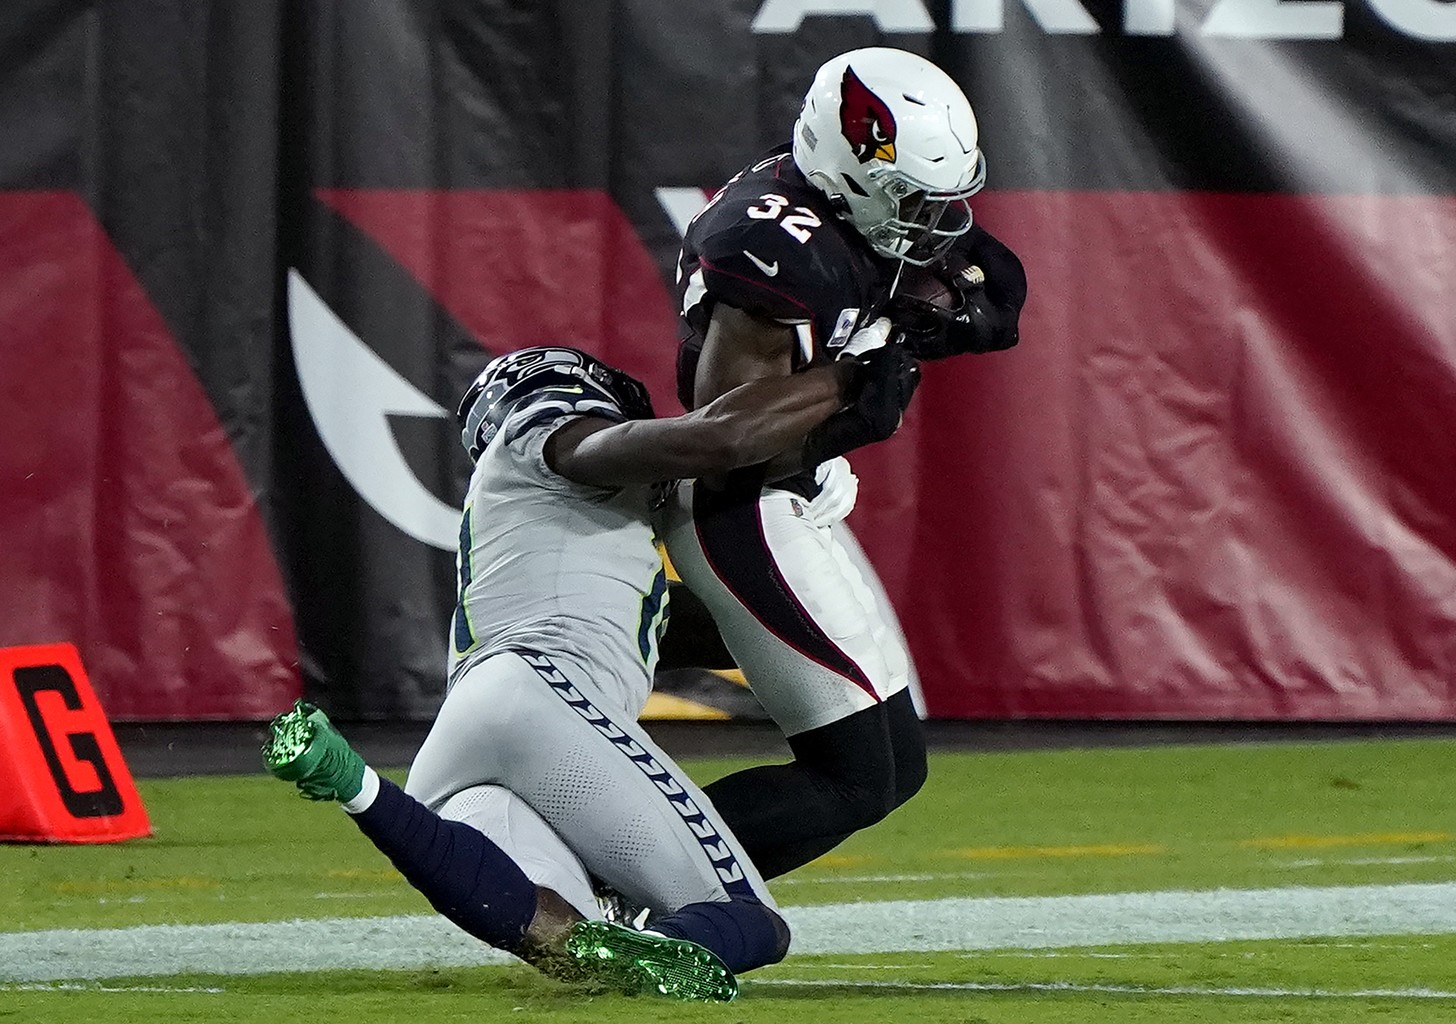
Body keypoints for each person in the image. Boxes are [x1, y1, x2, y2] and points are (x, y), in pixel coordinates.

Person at [263, 342, 918, 1000]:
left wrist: (791, 515)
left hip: (469, 725)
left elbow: (735, 624)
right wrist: (836, 415)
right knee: (750, 923)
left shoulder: (566, 539)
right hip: (542, 699)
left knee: (567, 938)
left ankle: (356, 787)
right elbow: (702, 444)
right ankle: (670, 938)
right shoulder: (548, 435)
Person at [660, 47, 1028, 878]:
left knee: (894, 772)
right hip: (745, 506)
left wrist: (924, 319)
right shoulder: (772, 241)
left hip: (796, 495)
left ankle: (632, 867)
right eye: (913, 201)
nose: (933, 223)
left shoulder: (848, 203)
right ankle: (615, 886)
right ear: (849, 166)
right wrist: (852, 399)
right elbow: (726, 443)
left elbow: (993, 284)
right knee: (855, 777)